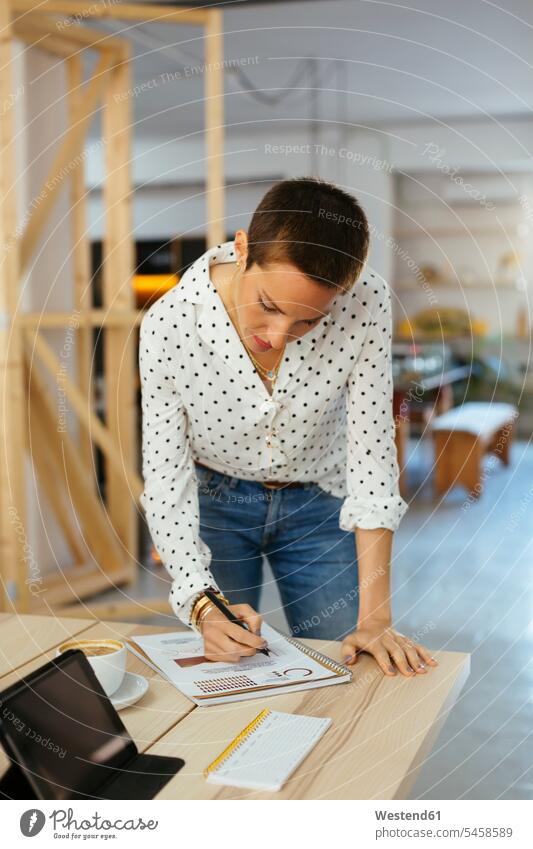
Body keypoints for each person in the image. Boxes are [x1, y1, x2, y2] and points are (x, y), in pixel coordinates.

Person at [139, 177, 438, 679]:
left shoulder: (365, 303)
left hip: (319, 503)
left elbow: (371, 452)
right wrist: (199, 602)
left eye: (307, 322)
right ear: (242, 248)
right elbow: (166, 475)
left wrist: (377, 617)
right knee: (228, 667)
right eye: (269, 307)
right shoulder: (169, 324)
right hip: (217, 502)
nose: (278, 336)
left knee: (350, 668)